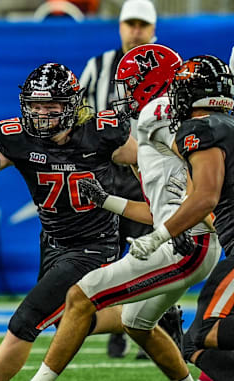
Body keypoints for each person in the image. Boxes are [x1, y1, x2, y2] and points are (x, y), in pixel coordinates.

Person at [0, 62, 138, 381]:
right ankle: (138, 317)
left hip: (95, 245)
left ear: (72, 105)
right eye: (35, 107)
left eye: (51, 107)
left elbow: (150, 165)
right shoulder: (20, 138)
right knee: (63, 319)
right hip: (53, 242)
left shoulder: (101, 133)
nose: (42, 115)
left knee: (26, 322)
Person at [31, 45, 221, 381]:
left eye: (132, 83)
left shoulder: (158, 111)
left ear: (151, 81)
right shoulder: (162, 118)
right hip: (188, 239)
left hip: (190, 240)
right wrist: (105, 200)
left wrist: (180, 225)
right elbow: (155, 212)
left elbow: (199, 160)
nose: (126, 92)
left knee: (79, 295)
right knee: (135, 323)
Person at [125, 54, 234, 381]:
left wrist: (159, 235)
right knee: (207, 348)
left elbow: (204, 197)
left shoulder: (202, 128)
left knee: (200, 337)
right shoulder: (226, 125)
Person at [79, 0, 158, 358]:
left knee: (152, 253)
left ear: (153, 29)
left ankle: (155, 324)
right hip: (107, 172)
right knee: (108, 251)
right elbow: (80, 113)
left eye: (142, 25)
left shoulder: (167, 67)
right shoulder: (98, 66)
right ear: (121, 26)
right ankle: (117, 324)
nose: (135, 31)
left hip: (153, 172)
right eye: (130, 24)